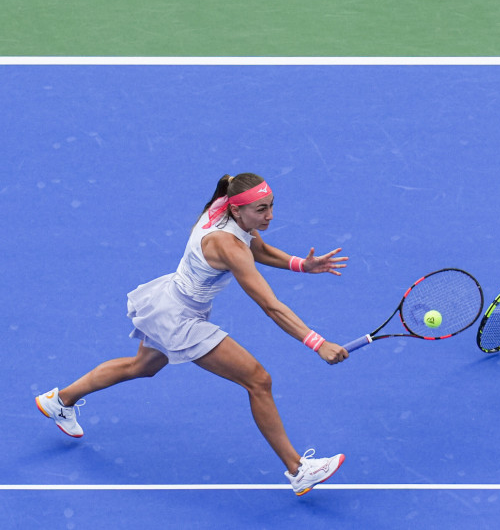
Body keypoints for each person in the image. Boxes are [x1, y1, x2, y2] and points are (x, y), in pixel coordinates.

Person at [36, 172, 350, 496]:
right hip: (180, 319)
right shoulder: (228, 246)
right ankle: (298, 470)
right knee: (258, 380)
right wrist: (318, 343)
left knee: (140, 367)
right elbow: (271, 306)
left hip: (168, 302)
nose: (270, 215)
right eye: (261, 209)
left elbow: (259, 248)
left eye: (271, 206)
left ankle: (59, 401)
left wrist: (301, 265)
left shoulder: (224, 207)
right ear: (237, 210)